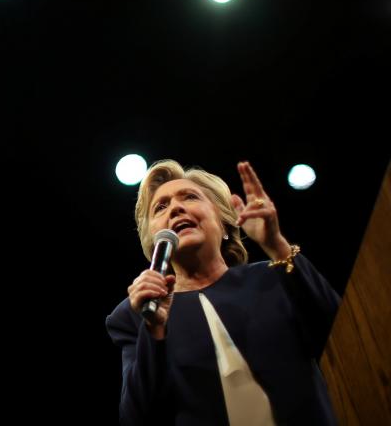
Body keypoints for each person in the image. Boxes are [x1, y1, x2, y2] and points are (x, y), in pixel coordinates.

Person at [106, 160, 340, 425]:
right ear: (152, 240)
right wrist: (154, 331)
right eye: (161, 207)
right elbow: (136, 418)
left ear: (225, 221)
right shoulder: (134, 315)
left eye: (190, 197)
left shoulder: (274, 275)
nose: (176, 208)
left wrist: (278, 247)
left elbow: (344, 340)